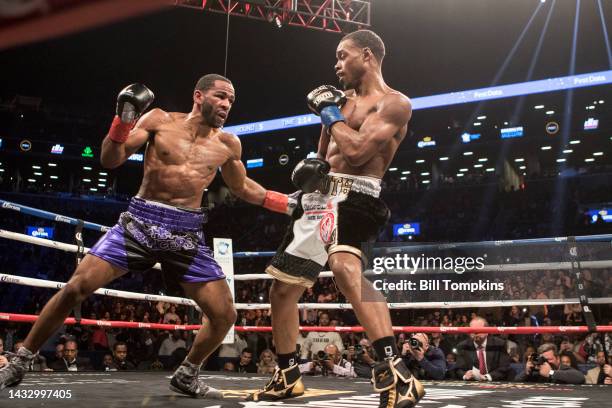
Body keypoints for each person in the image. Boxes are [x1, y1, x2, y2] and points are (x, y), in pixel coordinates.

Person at [0, 74, 293, 397]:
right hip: (141, 221)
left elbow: (243, 187)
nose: (226, 105)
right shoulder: (160, 120)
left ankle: (187, 373)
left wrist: (287, 204)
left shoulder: (228, 144)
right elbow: (110, 159)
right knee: (76, 287)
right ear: (198, 96)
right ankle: (20, 360)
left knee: (224, 315)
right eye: (220, 96)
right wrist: (123, 119)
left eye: (231, 101)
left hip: (187, 233)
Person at [247, 30, 424, 407]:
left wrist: (328, 112)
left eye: (343, 56)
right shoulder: (338, 104)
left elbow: (358, 152)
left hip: (358, 194)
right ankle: (287, 375)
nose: (336, 64)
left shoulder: (395, 103)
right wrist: (304, 180)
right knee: (281, 290)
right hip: (318, 198)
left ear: (367, 55)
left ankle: (397, 372)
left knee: (344, 268)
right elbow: (322, 159)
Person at [452, 317, 514, 381]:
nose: (475, 333)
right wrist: (465, 375)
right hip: (472, 384)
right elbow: (458, 369)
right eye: (472, 330)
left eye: (478, 330)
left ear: (487, 331)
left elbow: (504, 367)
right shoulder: (463, 346)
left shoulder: (499, 344)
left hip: (495, 381)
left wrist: (487, 377)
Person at [515, 343, 585, 384]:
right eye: (544, 359)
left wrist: (551, 373)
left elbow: (580, 378)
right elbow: (516, 381)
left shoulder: (563, 368)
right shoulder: (539, 369)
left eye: (549, 359)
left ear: (558, 359)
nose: (547, 362)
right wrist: (527, 372)